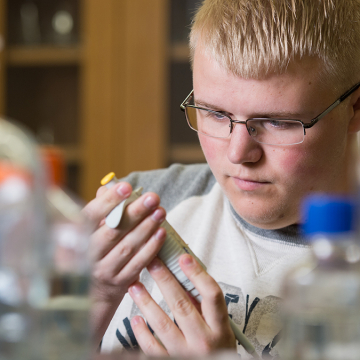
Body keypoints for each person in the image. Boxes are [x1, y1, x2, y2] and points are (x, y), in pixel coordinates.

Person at [83, 0, 360, 358]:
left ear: (354, 109)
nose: (237, 153)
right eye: (214, 113)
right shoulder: (147, 205)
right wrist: (90, 300)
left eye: (278, 122)